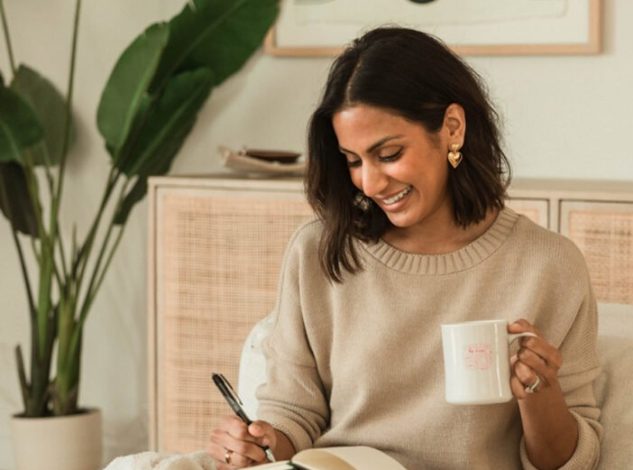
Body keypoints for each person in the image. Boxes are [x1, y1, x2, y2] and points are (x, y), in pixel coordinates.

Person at [207, 26, 601, 470]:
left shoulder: (549, 265)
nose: (371, 183)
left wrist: (540, 392)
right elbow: (294, 418)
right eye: (353, 162)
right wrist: (255, 446)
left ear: (452, 128)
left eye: (389, 154)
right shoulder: (318, 251)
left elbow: (569, 462)